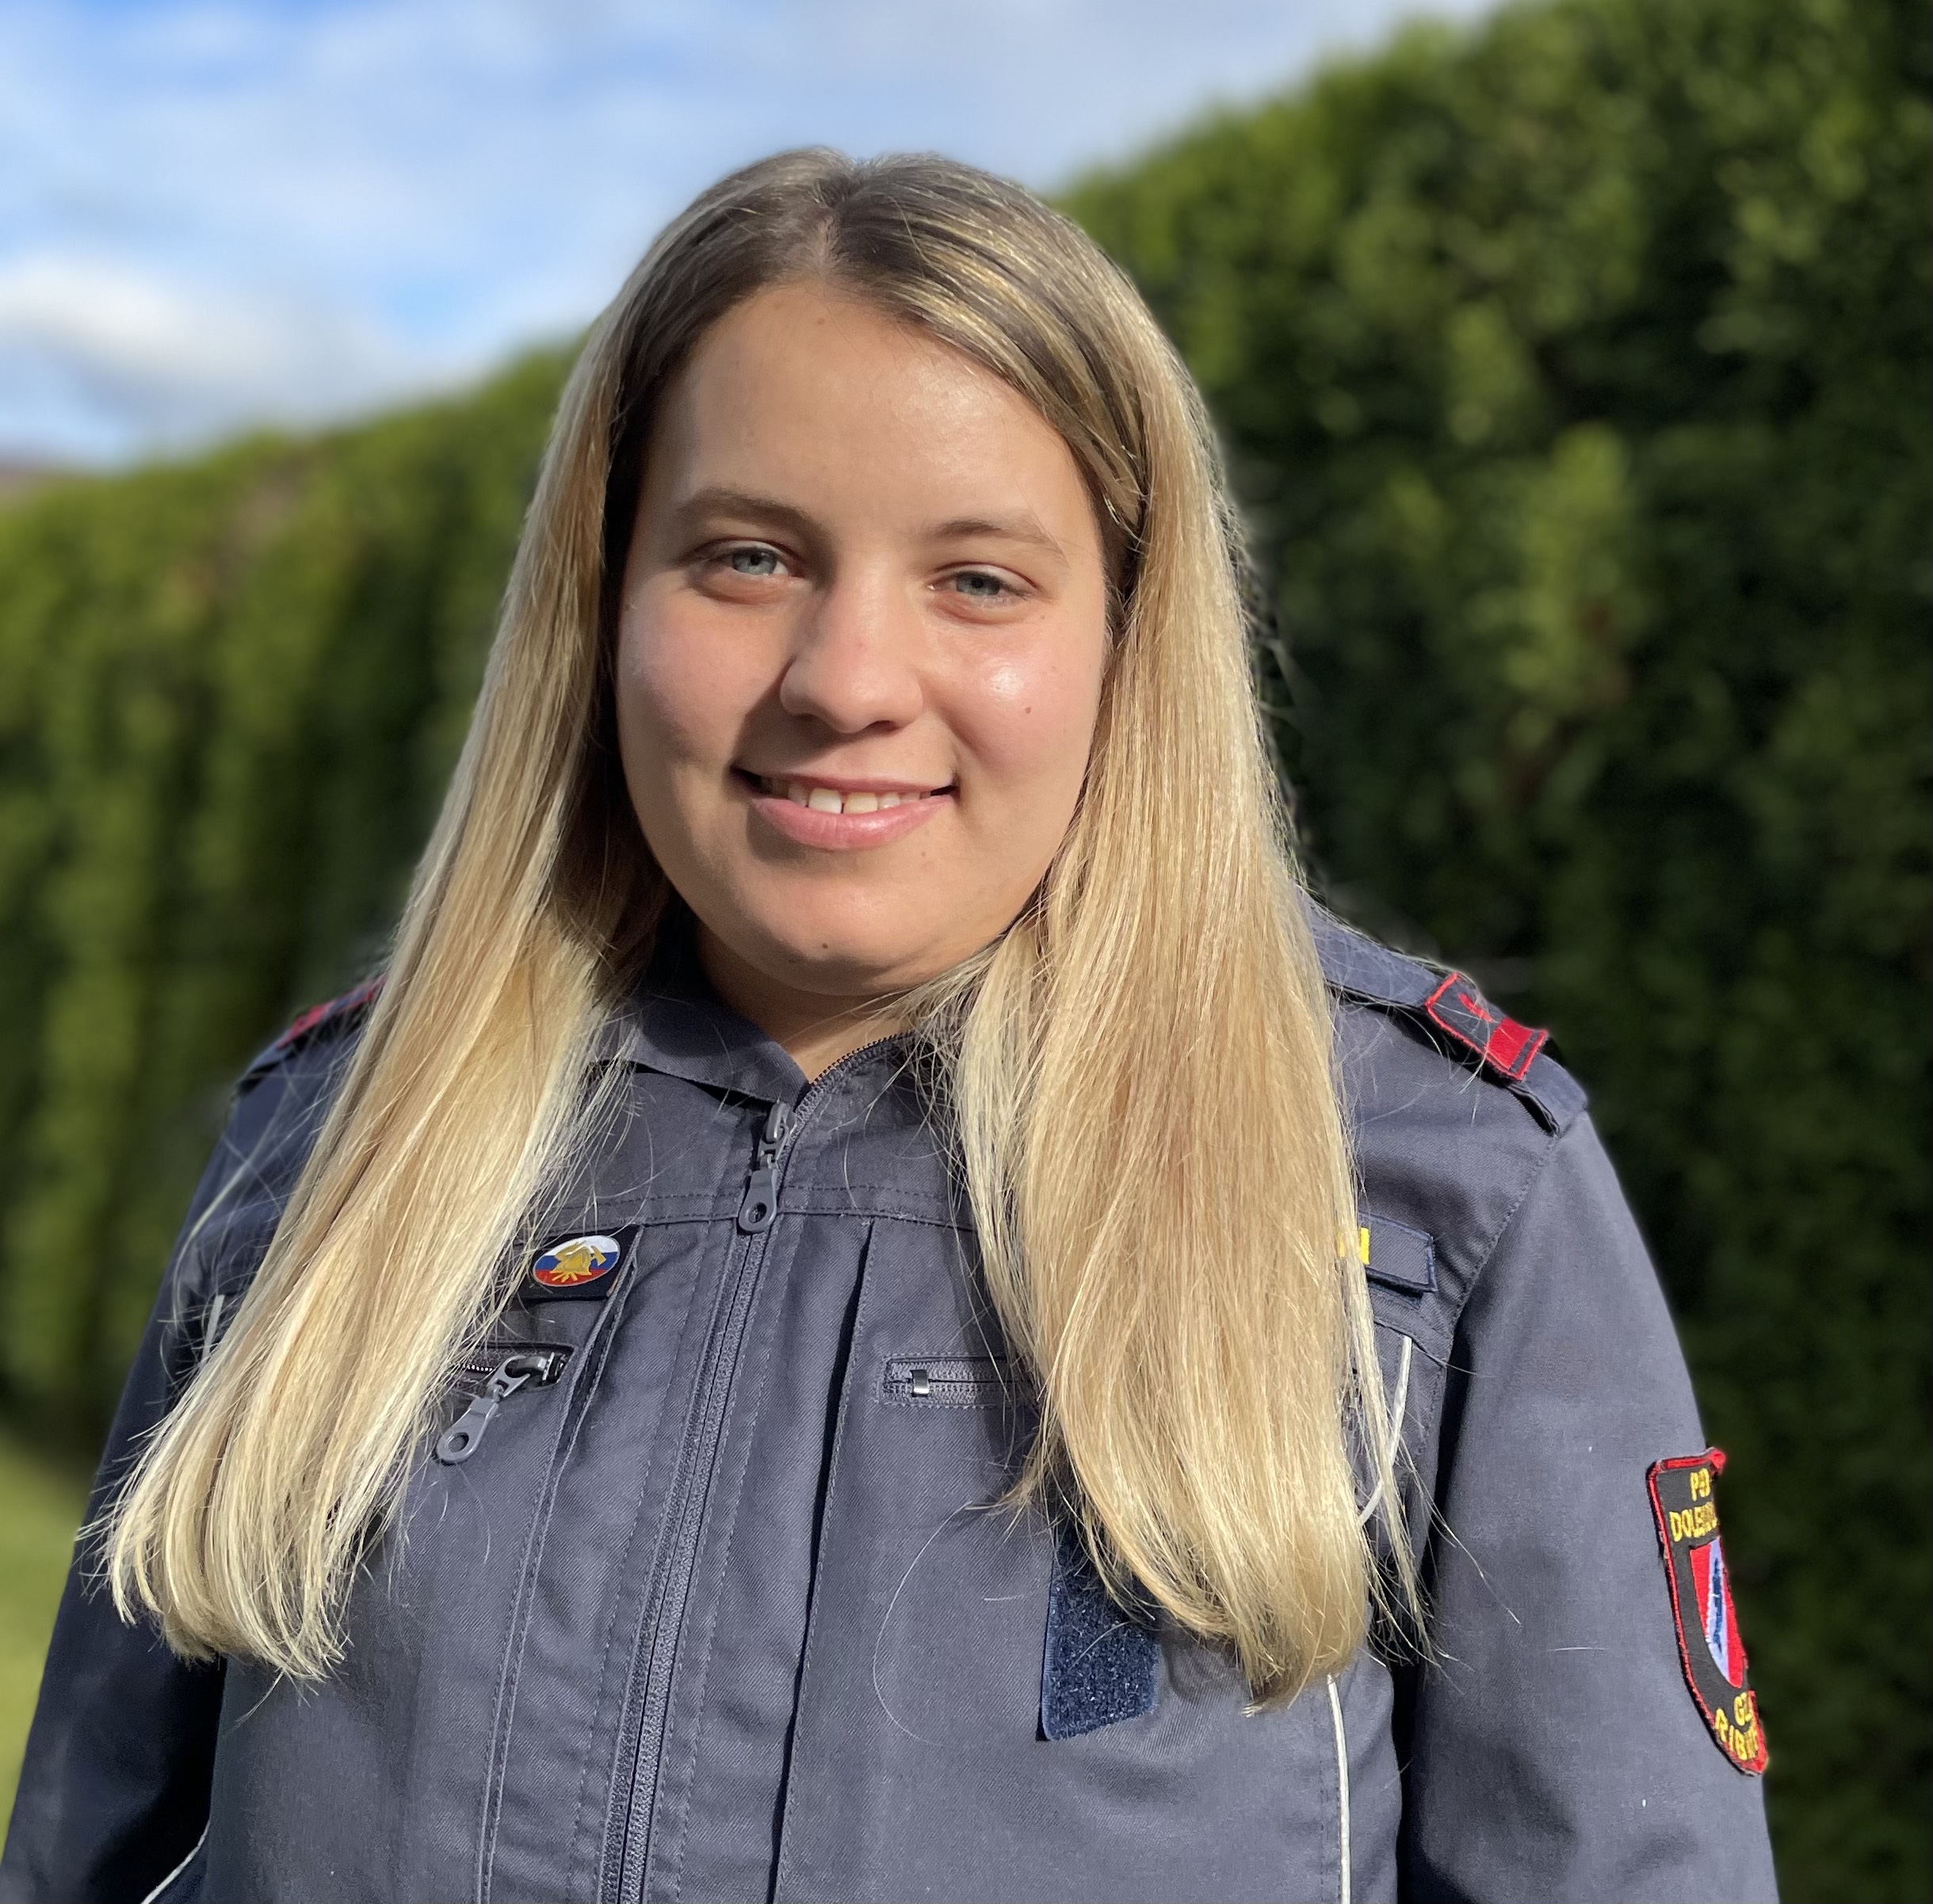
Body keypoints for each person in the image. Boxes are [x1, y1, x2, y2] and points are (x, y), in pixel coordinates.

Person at [0, 152, 1777, 1904]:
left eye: (978, 579)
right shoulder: (330, 1152)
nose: (846, 681)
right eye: (747, 556)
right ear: (603, 604)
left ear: (1126, 636)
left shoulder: (1431, 1193)